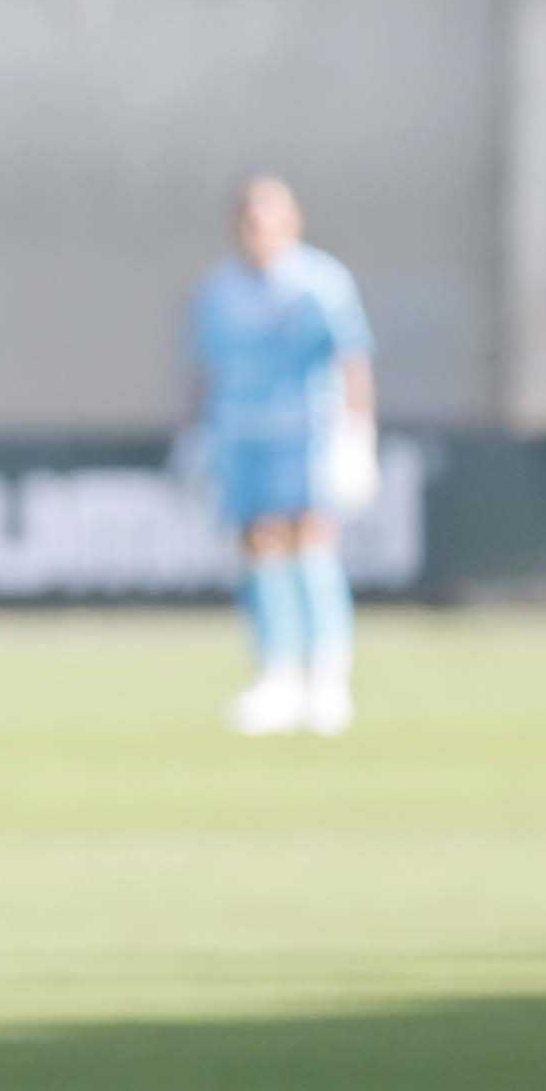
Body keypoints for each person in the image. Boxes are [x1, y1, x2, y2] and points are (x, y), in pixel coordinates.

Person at [185, 173, 376, 735]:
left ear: (292, 222)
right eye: (248, 221)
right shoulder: (218, 291)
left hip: (308, 431)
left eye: (268, 219)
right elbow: (205, 368)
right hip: (243, 434)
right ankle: (278, 673)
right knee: (260, 544)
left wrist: (357, 433)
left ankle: (328, 674)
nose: (257, 231)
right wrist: (196, 433)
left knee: (311, 539)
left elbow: (352, 359)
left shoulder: (321, 283)